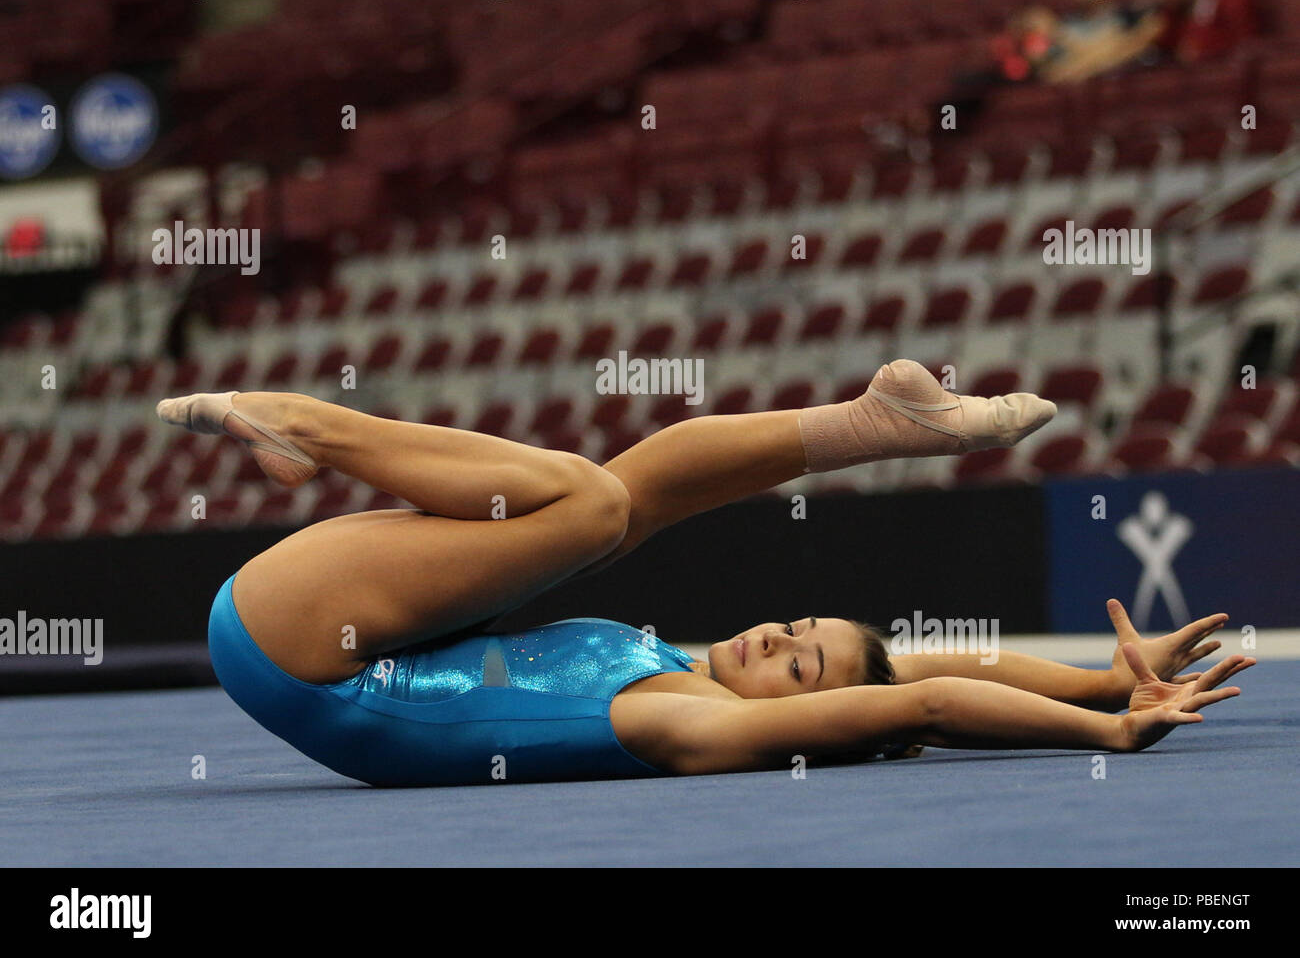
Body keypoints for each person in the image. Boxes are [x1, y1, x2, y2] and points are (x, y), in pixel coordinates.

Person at [159, 360, 1252, 785]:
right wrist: (1108, 681)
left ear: (811, 721)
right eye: (794, 627)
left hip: (298, 649)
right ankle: (872, 425)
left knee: (590, 505)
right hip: (344, 638)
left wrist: (1105, 739)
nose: (774, 640)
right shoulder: (683, 667)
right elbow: (921, 669)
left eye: (794, 668)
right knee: (630, 500)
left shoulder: (690, 724)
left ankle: (308, 423)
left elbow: (910, 700)